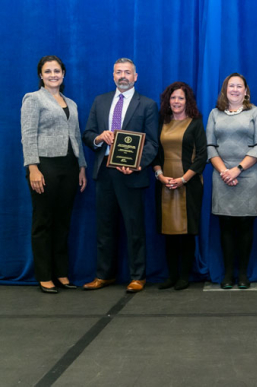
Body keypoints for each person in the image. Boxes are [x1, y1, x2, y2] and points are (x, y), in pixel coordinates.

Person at [82, 58, 158, 293]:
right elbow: (88, 134)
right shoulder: (100, 101)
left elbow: (153, 144)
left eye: (127, 72)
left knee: (134, 227)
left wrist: (137, 165)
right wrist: (98, 138)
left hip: (131, 174)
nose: (122, 76)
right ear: (112, 75)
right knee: (104, 226)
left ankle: (138, 276)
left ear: (136, 77)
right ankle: (104, 275)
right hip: (104, 170)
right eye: (118, 72)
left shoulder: (147, 104)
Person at [21, 55, 87, 294]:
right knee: (43, 222)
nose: (52, 75)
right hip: (44, 166)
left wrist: (81, 167)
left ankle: (61, 273)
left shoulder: (71, 102)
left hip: (69, 167)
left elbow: (77, 137)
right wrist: (33, 167)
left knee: (63, 222)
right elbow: (27, 135)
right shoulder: (33, 99)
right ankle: (44, 276)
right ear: (41, 75)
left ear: (63, 74)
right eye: (48, 71)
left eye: (57, 70)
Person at [206, 73, 257, 289]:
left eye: (239, 86)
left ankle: (243, 274)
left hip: (248, 174)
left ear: (245, 91)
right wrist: (225, 171)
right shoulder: (215, 113)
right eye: (230, 86)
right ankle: (227, 274)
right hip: (221, 174)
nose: (234, 89)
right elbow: (210, 146)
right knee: (226, 225)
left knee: (245, 225)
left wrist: (238, 170)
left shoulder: (256, 112)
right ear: (225, 90)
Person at [152, 82, 207, 291]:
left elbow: (202, 156)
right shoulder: (160, 122)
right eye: (173, 98)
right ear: (168, 101)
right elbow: (154, 153)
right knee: (168, 231)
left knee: (186, 231)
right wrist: (160, 176)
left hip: (189, 184)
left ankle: (184, 276)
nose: (176, 102)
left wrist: (184, 179)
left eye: (181, 98)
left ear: (188, 101)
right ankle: (171, 275)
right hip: (164, 184)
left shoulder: (195, 123)